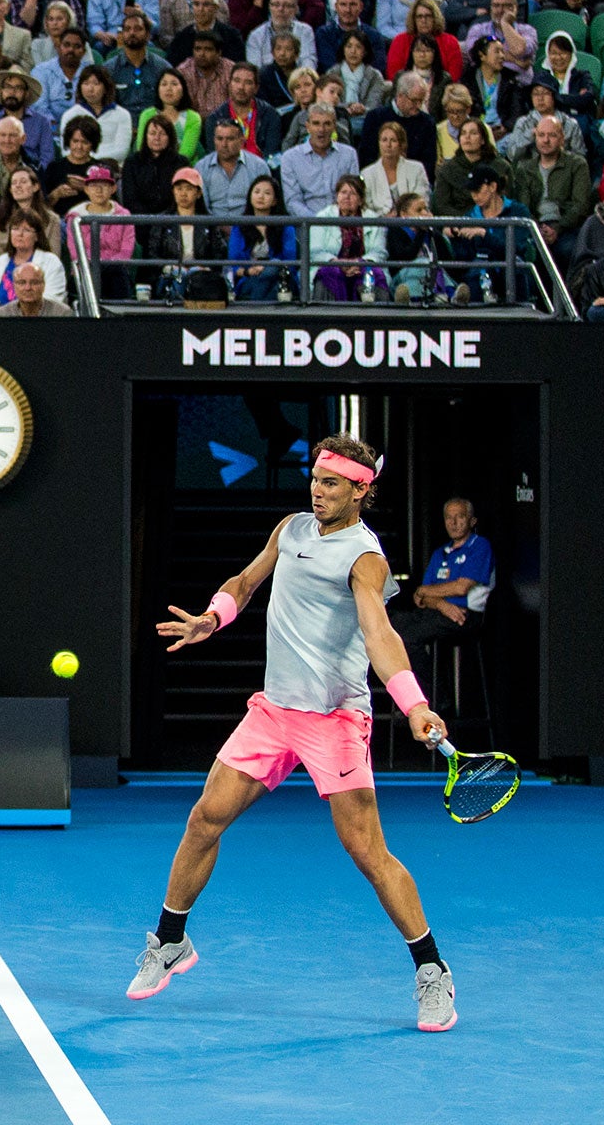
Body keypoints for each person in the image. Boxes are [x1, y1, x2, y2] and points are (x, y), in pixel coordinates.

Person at [128, 436, 456, 1034]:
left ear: (361, 490)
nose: (317, 490)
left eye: (332, 484)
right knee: (206, 817)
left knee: (368, 853)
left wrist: (414, 703)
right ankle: (170, 940)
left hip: (334, 720)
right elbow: (247, 581)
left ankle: (431, 970)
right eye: (315, 479)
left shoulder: (365, 558)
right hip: (274, 713)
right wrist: (212, 616)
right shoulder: (292, 529)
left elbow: (380, 635)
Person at [395, 499, 496, 654]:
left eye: (460, 516)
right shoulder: (439, 553)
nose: (454, 522)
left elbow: (461, 588)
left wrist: (424, 591)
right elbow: (422, 598)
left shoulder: (479, 546)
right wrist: (442, 605)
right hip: (439, 611)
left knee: (409, 637)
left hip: (464, 615)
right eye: (449, 517)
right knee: (391, 627)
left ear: (472, 521)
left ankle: (425, 680)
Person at [0, 259, 74, 316]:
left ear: (43, 285)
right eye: (22, 282)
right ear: (14, 286)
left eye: (34, 282)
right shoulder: (1, 315)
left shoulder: (62, 314)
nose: (28, 288)